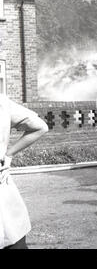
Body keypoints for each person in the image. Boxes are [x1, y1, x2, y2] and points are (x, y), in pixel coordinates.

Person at [0, 94, 48, 249]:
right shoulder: (2, 102)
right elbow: (40, 127)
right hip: (3, 188)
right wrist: (8, 154)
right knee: (13, 237)